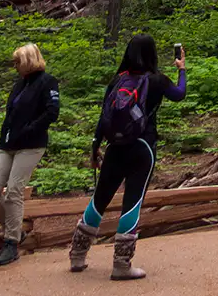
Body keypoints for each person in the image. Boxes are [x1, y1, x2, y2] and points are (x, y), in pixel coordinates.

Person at [68, 35, 186, 280]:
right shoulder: (157, 81)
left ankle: (77, 255)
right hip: (143, 147)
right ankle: (121, 264)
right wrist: (181, 70)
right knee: (132, 202)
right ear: (152, 54)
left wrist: (95, 148)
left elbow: (103, 117)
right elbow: (180, 94)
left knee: (100, 198)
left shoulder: (117, 81)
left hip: (115, 147)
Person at [0, 42, 61, 267]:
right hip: (9, 145)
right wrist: (2, 142)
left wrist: (29, 129)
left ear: (28, 61)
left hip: (32, 145)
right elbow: (10, 116)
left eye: (18, 61)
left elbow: (52, 112)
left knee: (14, 191)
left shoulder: (48, 82)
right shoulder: (19, 84)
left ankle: (11, 244)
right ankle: (16, 232)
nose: (15, 66)